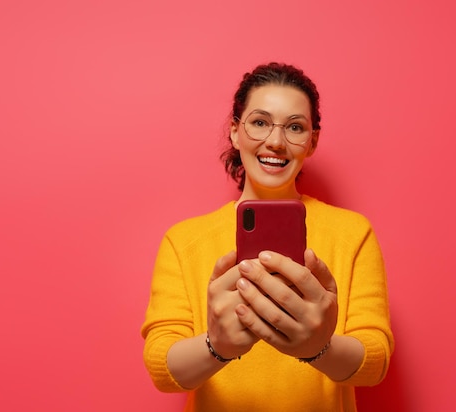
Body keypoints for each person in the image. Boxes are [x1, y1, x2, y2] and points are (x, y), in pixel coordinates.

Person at [141, 62, 394, 411]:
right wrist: (219, 346)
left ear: (312, 141)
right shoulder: (184, 240)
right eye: (260, 122)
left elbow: (375, 361)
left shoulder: (352, 233)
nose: (275, 142)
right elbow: (162, 367)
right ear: (235, 131)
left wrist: (317, 347)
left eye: (295, 127)